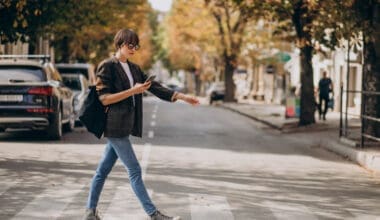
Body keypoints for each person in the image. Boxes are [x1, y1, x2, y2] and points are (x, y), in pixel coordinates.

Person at [84, 29, 199, 220]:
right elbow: (104, 99)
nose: (134, 49)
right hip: (114, 126)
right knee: (135, 170)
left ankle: (89, 212)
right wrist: (132, 91)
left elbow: (154, 87)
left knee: (102, 171)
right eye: (130, 45)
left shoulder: (134, 68)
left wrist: (182, 97)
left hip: (125, 125)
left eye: (136, 46)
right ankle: (153, 214)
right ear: (120, 44)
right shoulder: (107, 66)